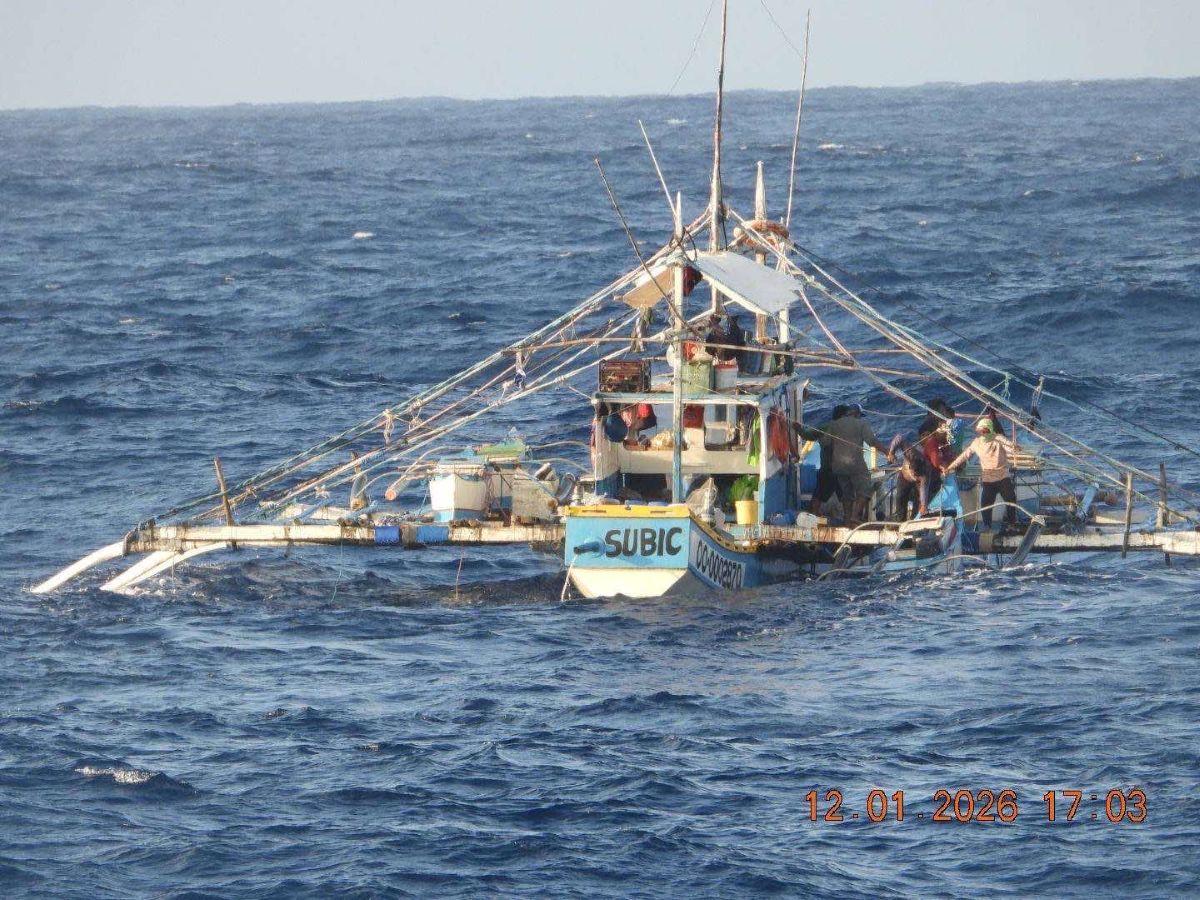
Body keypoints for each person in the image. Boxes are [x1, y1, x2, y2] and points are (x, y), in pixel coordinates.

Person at [821, 403, 893, 525]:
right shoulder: (861, 424)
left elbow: (825, 443)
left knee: (846, 494)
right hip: (856, 464)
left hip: (838, 467)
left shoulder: (833, 424)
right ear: (857, 414)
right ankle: (855, 516)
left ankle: (847, 521)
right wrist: (887, 452)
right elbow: (872, 441)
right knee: (865, 490)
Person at [944, 418, 1019, 531]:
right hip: (988, 478)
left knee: (1011, 499)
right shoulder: (977, 443)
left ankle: (1012, 525)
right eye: (981, 432)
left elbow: (1010, 446)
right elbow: (964, 455)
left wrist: (1014, 447)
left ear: (990, 430)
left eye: (985, 431)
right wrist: (950, 467)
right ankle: (987, 526)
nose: (983, 434)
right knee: (985, 504)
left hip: (1003, 476)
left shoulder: (998, 439)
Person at [795, 404, 847, 517]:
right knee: (845, 495)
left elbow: (806, 435)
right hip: (841, 470)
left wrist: (798, 428)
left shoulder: (824, 427)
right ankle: (849, 519)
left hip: (826, 469)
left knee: (818, 493)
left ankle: (814, 515)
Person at [888, 434, 929, 520]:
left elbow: (923, 490)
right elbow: (899, 437)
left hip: (917, 483)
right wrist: (892, 452)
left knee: (918, 502)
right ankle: (900, 520)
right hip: (904, 477)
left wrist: (923, 505)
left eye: (916, 474)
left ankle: (914, 520)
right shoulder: (910, 452)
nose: (914, 474)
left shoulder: (923, 475)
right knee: (900, 497)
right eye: (913, 472)